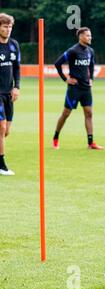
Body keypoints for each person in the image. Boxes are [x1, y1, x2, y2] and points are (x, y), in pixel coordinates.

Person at [52, 27, 103, 150]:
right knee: (66, 114)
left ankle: (90, 143)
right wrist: (66, 79)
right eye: (87, 35)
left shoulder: (90, 51)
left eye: (90, 35)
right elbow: (57, 63)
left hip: (86, 88)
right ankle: (55, 138)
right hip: (74, 88)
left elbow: (91, 65)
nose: (90, 37)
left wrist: (91, 79)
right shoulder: (72, 51)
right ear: (80, 37)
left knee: (89, 113)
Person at [0, 13, 20, 176]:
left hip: (9, 93)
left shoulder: (14, 45)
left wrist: (17, 87)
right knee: (1, 127)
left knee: (6, 132)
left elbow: (17, 68)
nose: (8, 30)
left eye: (10, 27)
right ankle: (1, 165)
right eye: (5, 26)